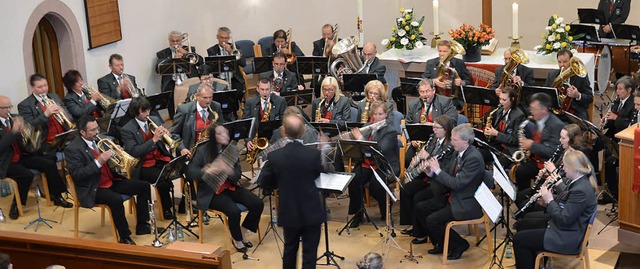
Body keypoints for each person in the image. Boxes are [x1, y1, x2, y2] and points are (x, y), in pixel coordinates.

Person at [258, 112, 332, 269]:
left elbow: (263, 182)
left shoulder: (274, 156)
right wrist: (324, 148)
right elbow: (328, 170)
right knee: (310, 254)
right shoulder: (313, 155)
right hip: (311, 211)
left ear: (284, 132)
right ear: (304, 130)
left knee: (290, 250)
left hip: (288, 211)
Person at [65, 115, 153, 245]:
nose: (97, 132)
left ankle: (143, 225)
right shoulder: (72, 149)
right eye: (93, 130)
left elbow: (112, 165)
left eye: (97, 128)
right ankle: (124, 236)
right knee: (116, 199)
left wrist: (118, 154)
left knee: (144, 186)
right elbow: (78, 175)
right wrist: (98, 162)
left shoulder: (101, 140)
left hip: (111, 181)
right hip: (93, 188)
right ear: (82, 132)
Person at [513, 150, 597, 269]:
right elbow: (567, 207)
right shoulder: (580, 182)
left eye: (566, 166)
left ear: (575, 168)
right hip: (568, 230)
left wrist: (550, 200)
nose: (564, 170)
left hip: (567, 237)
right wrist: (546, 204)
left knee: (519, 239)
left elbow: (564, 219)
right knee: (525, 226)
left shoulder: (581, 190)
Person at [186, 123, 263, 253]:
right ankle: (237, 238)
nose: (225, 136)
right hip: (212, 192)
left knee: (257, 204)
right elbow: (190, 172)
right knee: (233, 211)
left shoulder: (231, 150)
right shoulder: (202, 151)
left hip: (229, 186)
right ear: (213, 137)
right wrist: (207, 171)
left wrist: (229, 170)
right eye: (220, 134)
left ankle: (243, 231)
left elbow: (237, 174)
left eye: (226, 133)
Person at [421, 124, 485, 260]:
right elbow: (449, 174)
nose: (451, 142)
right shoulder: (458, 152)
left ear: (466, 140)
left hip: (466, 203)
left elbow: (457, 184)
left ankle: (460, 244)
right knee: (422, 209)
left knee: (432, 221)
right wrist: (431, 172)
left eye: (455, 140)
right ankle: (441, 243)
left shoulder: (473, 158)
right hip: (453, 196)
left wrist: (438, 170)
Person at [514, 124, 593, 230]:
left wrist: (549, 196)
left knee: (526, 215)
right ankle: (524, 224)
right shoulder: (565, 152)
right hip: (555, 194)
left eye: (563, 138)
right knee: (520, 197)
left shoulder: (576, 162)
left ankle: (527, 226)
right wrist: (547, 176)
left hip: (559, 201)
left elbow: (568, 190)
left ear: (571, 140)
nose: (560, 140)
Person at [16, 74, 73, 209]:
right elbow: (29, 127)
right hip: (44, 142)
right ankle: (57, 194)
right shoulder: (25, 105)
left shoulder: (54, 97)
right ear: (32, 88)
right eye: (39, 87)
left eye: (45, 85)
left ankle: (79, 186)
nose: (43, 89)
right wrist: (46, 114)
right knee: (50, 158)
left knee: (79, 148)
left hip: (63, 136)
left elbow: (69, 116)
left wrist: (63, 113)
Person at [120, 97, 174, 220]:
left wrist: (166, 137)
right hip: (142, 165)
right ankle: (166, 209)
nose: (147, 114)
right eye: (143, 111)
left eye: (148, 110)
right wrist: (154, 140)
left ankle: (181, 206)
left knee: (180, 169)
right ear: (135, 112)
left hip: (159, 158)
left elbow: (162, 144)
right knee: (162, 177)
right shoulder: (127, 129)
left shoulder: (154, 119)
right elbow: (134, 152)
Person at [347, 101, 399, 228]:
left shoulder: (390, 131)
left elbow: (380, 150)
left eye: (381, 114)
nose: (378, 117)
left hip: (383, 165)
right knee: (354, 180)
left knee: (376, 185)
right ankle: (358, 214)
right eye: (375, 114)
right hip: (367, 163)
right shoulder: (367, 126)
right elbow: (359, 149)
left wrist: (360, 139)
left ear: (386, 114)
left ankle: (385, 211)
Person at [400, 115, 455, 236]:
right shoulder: (433, 138)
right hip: (426, 175)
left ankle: (420, 232)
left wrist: (427, 158)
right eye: (433, 127)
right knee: (405, 190)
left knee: (418, 197)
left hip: (437, 180)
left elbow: (443, 164)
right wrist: (417, 160)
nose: (434, 130)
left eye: (437, 128)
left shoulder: (450, 145)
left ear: (445, 129)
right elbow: (423, 154)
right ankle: (411, 224)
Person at [515, 93, 565, 190]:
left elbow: (553, 152)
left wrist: (532, 145)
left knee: (537, 189)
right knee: (520, 171)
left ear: (544, 110)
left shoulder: (556, 125)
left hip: (548, 164)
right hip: (537, 159)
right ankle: (523, 196)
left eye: (534, 109)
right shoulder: (537, 119)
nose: (531, 112)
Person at [404, 79, 458, 167]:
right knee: (407, 159)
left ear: (434, 90)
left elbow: (452, 121)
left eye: (427, 91)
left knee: (430, 161)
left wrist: (433, 125)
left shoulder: (445, 102)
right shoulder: (413, 104)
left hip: (437, 141)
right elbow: (407, 123)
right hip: (418, 142)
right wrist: (412, 139)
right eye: (422, 92)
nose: (425, 95)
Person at [599, 76, 635, 203]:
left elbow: (631, 126)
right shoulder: (617, 101)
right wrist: (606, 120)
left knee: (610, 160)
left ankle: (612, 194)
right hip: (612, 134)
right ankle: (598, 180)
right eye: (617, 89)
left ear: (629, 90)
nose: (617, 91)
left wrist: (615, 118)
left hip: (623, 139)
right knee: (591, 147)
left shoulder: (633, 104)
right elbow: (611, 122)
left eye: (620, 89)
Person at [0, 96, 34, 220]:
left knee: (46, 163)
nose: (8, 110)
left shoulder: (13, 118)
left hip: (20, 155)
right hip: (5, 161)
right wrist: (13, 132)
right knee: (27, 175)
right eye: (4, 108)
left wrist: (25, 131)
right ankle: (16, 205)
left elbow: (23, 140)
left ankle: (55, 195)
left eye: (10, 106)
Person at [172, 83, 224, 159]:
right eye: (205, 98)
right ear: (197, 96)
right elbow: (174, 133)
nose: (208, 101)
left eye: (210, 97)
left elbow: (222, 128)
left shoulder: (216, 106)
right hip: (191, 153)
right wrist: (182, 148)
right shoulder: (184, 110)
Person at [543, 49, 593, 121]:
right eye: (559, 62)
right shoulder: (552, 75)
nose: (562, 65)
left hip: (575, 112)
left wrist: (577, 95)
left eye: (565, 62)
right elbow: (545, 92)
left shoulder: (580, 76)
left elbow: (589, 97)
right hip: (555, 112)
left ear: (571, 61)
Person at [422, 40, 472, 110]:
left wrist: (461, 82)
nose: (442, 54)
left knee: (446, 106)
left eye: (445, 51)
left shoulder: (459, 63)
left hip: (454, 99)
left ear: (450, 52)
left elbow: (468, 81)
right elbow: (423, 80)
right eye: (440, 51)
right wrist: (433, 81)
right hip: (435, 96)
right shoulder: (431, 63)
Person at [483, 86, 526, 167]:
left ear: (512, 99)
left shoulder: (519, 115)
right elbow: (496, 129)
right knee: (480, 155)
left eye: (504, 100)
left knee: (498, 165)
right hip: (498, 144)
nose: (501, 102)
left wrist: (496, 134)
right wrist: (489, 133)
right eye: (500, 99)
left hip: (510, 149)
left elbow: (515, 140)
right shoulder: (499, 110)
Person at [206, 26, 247, 110]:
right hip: (219, 78)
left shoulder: (235, 47)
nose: (224, 40)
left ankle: (234, 109)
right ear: (217, 37)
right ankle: (222, 110)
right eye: (221, 38)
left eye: (226, 38)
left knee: (239, 91)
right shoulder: (212, 50)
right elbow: (211, 68)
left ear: (229, 38)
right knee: (218, 94)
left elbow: (243, 63)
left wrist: (231, 52)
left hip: (233, 78)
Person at [242, 78, 287, 153]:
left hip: (274, 138)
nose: (265, 92)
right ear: (257, 89)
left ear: (271, 89)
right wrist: (248, 140)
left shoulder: (280, 101)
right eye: (262, 89)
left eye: (267, 89)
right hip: (256, 139)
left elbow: (284, 123)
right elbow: (245, 123)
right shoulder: (250, 102)